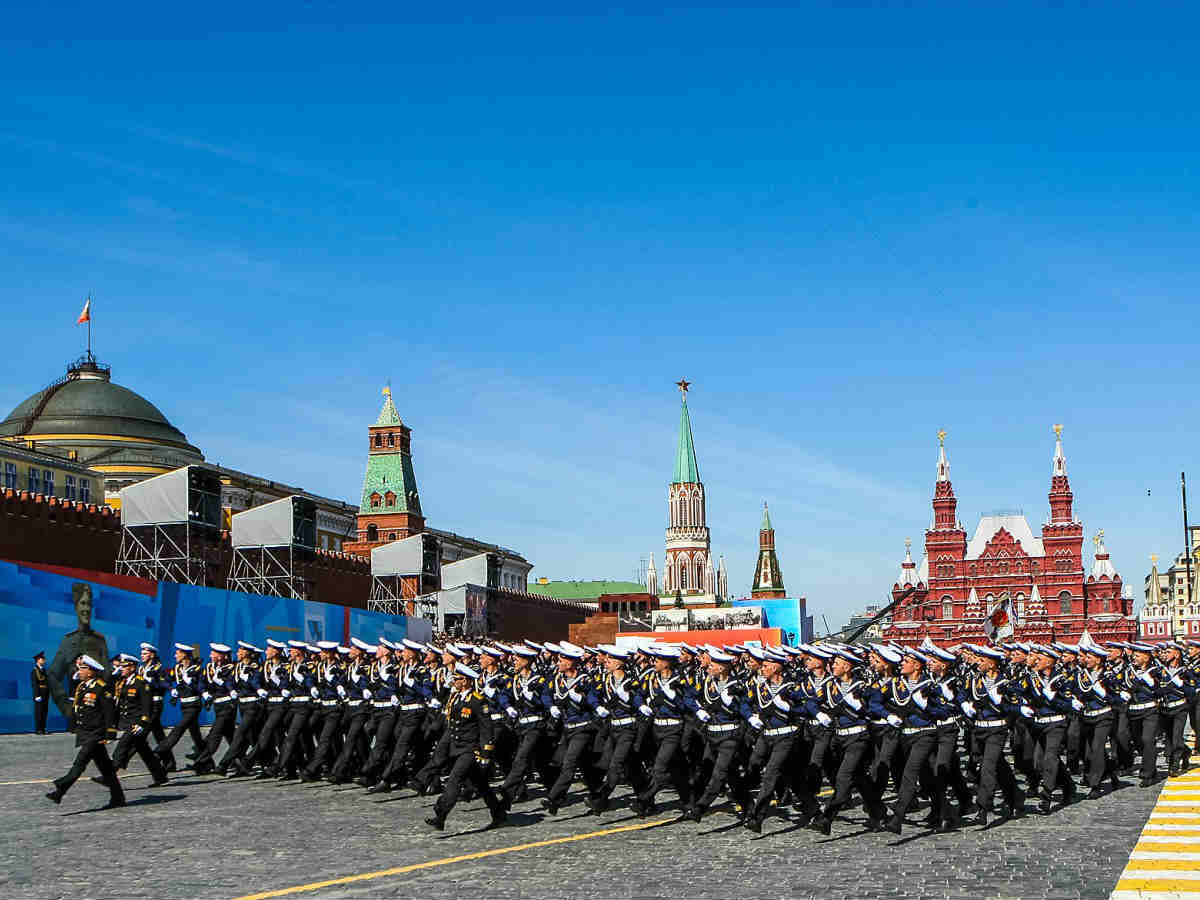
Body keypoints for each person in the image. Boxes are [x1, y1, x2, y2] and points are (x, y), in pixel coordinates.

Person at [424, 662, 506, 831]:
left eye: (458, 679)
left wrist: (485, 753)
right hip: (457, 746)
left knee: (455, 779)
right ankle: (498, 813)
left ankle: (441, 814)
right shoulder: (455, 697)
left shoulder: (477, 700)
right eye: (455, 678)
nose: (455, 681)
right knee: (481, 785)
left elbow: (486, 728)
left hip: (471, 749)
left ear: (467, 681)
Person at [45, 655, 124, 809]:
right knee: (106, 768)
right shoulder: (82, 686)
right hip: (85, 732)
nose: (79, 671)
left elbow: (109, 712)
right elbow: (78, 707)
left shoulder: (101, 688)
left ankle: (61, 788)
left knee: (80, 762)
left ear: (91, 671)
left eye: (83, 668)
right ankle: (118, 797)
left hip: (96, 733)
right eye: (80, 667)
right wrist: (73, 725)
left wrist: (110, 732)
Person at [104, 653, 169, 787]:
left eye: (124, 666)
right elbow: (110, 686)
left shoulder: (141, 683)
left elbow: (147, 706)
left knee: (121, 748)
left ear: (132, 667)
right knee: (144, 750)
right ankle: (160, 775)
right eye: (120, 666)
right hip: (126, 721)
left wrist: (142, 722)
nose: (121, 669)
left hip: (136, 723)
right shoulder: (123, 682)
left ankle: (109, 776)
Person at [47, 583, 109, 719]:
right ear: (76, 607)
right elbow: (52, 675)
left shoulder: (99, 640)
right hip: (77, 714)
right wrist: (66, 707)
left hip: (97, 712)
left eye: (89, 604)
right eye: (83, 603)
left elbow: (106, 676)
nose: (86, 609)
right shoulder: (68, 641)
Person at [31, 651, 49, 734]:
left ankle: (43, 728)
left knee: (44, 711)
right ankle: (38, 729)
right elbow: (34, 684)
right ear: (38, 660)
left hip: (45, 693)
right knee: (39, 711)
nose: (44, 660)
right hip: (39, 693)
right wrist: (36, 695)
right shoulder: (35, 671)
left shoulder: (44, 670)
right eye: (42, 659)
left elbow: (47, 682)